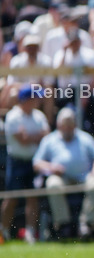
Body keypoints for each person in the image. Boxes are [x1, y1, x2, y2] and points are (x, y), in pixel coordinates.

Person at [34, 108, 94, 240]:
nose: (67, 129)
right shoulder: (49, 140)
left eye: (70, 126)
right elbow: (37, 163)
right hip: (61, 177)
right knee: (53, 184)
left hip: (84, 176)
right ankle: (63, 224)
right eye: (64, 126)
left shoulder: (85, 138)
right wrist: (51, 167)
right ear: (58, 125)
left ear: (75, 125)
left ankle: (87, 223)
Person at [1, 87, 50, 243]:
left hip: (34, 162)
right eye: (35, 98)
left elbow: (45, 136)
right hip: (16, 161)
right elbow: (22, 139)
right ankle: (4, 231)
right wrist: (37, 136)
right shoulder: (13, 116)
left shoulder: (39, 115)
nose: (37, 101)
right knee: (11, 198)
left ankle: (30, 232)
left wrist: (30, 136)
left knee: (32, 197)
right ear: (27, 100)